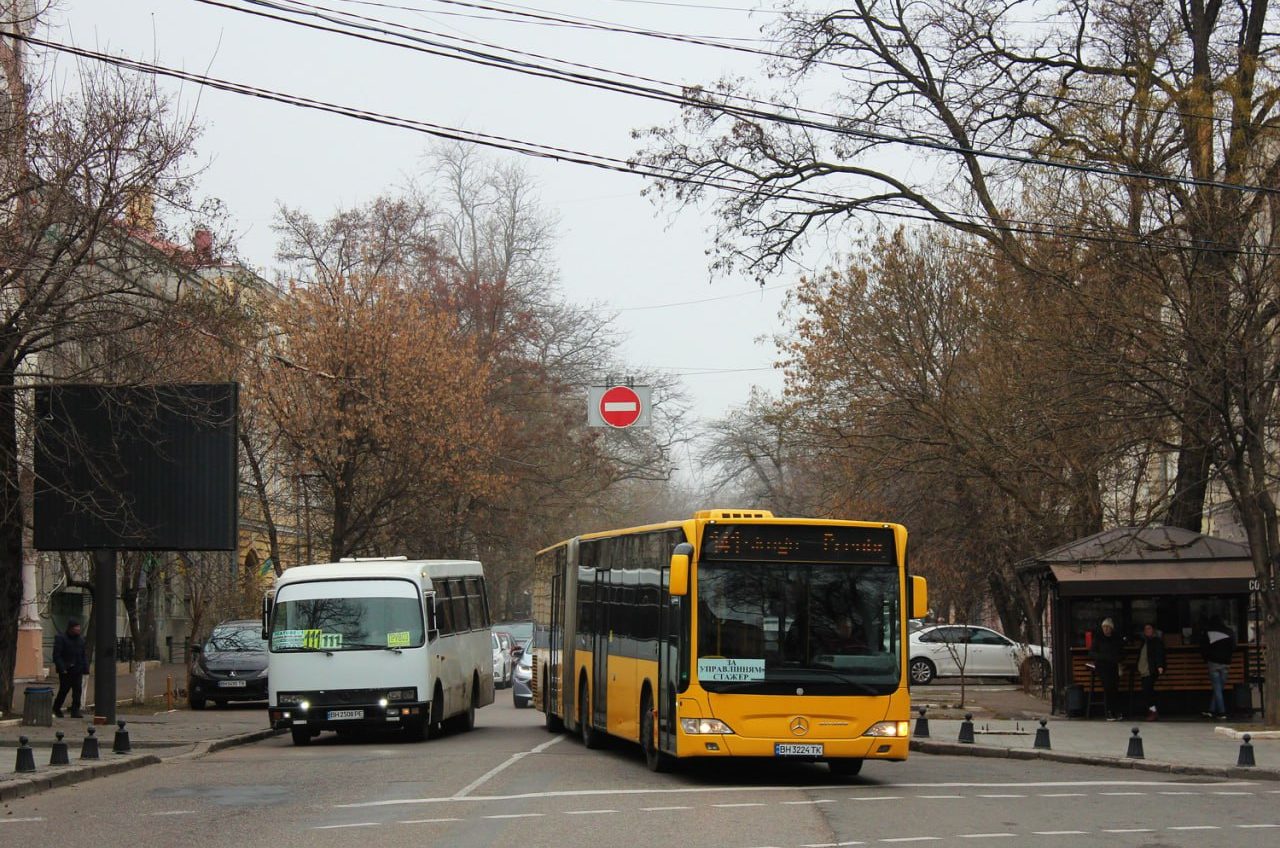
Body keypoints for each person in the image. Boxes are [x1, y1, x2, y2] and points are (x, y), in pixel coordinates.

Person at [1198, 615, 1235, 720]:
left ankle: (1222, 712)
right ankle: (1211, 710)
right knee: (1219, 688)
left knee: (1217, 688)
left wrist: (1206, 659)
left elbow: (1203, 648)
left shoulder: (1208, 632)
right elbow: (1233, 646)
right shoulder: (1229, 632)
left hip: (1213, 662)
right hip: (1226, 663)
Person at [52, 618, 90, 718]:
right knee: (64, 690)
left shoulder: (81, 640)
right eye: (76, 627)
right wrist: (62, 668)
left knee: (77, 690)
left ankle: (75, 710)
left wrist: (86, 668)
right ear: (70, 628)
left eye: (79, 627)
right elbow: (56, 655)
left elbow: (83, 655)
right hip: (66, 670)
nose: (78, 629)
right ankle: (56, 708)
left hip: (78, 669)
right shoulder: (61, 638)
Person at [1089, 617, 1124, 720]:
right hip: (1102, 667)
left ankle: (1116, 711)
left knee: (1115, 688)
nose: (1105, 629)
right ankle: (1109, 711)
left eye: (1107, 627)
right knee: (1108, 688)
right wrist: (1103, 657)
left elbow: (1122, 653)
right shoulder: (1098, 638)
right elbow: (1091, 653)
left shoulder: (1116, 638)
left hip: (1114, 666)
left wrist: (1116, 658)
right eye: (1104, 627)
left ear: (1111, 628)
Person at [1136, 623, 1166, 721]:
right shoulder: (1144, 642)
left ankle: (1153, 711)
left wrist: (1160, 666)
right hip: (1144, 670)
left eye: (1149, 628)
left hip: (1151, 670)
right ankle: (1151, 710)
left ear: (1153, 630)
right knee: (1147, 691)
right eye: (1145, 629)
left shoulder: (1156, 641)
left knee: (1148, 691)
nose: (1147, 630)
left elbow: (1159, 654)